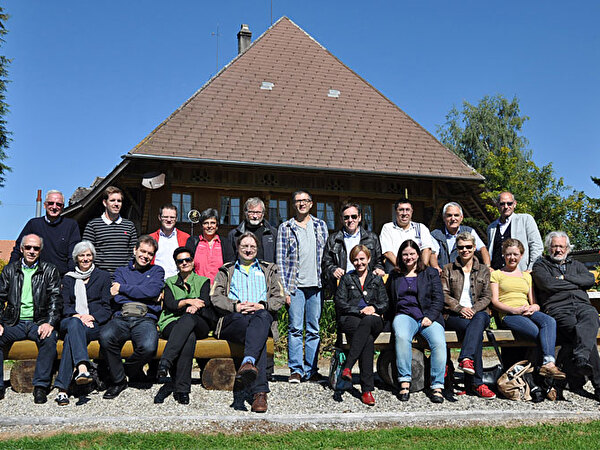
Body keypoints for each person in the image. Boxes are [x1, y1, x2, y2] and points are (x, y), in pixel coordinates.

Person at [211, 232, 285, 412]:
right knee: (256, 335)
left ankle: (249, 364)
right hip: (235, 318)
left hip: (260, 316)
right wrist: (235, 306)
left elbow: (280, 297)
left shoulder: (268, 269)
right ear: (238, 248)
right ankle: (260, 393)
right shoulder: (226, 270)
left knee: (261, 318)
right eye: (244, 246)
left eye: (252, 246)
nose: (248, 250)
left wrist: (262, 305)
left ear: (257, 249)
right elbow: (215, 296)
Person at [532, 231, 600, 398]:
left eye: (561, 246)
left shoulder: (576, 264)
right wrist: (575, 284)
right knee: (581, 332)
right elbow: (548, 284)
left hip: (583, 306)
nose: (558, 250)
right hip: (558, 308)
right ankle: (597, 385)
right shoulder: (540, 265)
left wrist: (563, 277)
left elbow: (590, 280)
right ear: (548, 248)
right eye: (554, 246)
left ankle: (582, 358)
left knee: (591, 317)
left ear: (568, 248)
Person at [99, 235, 164, 399]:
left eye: (150, 253)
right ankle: (119, 381)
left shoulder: (157, 271)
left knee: (149, 346)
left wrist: (123, 288)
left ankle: (127, 370)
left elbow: (153, 291)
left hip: (146, 318)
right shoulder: (121, 271)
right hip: (121, 316)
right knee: (105, 336)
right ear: (135, 250)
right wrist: (144, 292)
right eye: (142, 251)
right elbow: (118, 298)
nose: (145, 256)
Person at [490, 238, 565, 380]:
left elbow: (535, 303)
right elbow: (494, 301)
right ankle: (534, 374)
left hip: (527, 311)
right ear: (503, 255)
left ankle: (548, 363)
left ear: (521, 255)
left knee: (549, 321)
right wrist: (513, 310)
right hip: (509, 314)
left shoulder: (526, 276)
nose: (512, 258)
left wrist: (533, 308)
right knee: (537, 333)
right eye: (508, 254)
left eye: (515, 254)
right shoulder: (497, 274)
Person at [0, 234, 62, 404]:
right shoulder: (9, 270)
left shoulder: (50, 270)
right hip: (14, 322)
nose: (32, 251)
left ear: (40, 250)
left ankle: (41, 387)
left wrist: (49, 322)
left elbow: (56, 299)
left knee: (49, 340)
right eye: (28, 247)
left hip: (39, 322)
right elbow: (0, 297)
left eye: (36, 248)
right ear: (21, 249)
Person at [276, 190, 328, 383]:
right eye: (298, 201)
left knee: (314, 329)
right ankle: (296, 370)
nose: (301, 204)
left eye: (305, 201)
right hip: (295, 286)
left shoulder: (321, 226)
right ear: (293, 204)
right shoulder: (286, 227)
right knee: (295, 329)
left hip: (317, 285)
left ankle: (311, 369)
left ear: (311, 204)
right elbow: (280, 261)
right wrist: (285, 290)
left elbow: (325, 256)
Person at [387, 239, 446, 403]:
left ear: (418, 255)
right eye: (405, 254)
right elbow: (389, 301)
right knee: (401, 336)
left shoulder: (430, 273)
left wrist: (430, 316)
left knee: (439, 342)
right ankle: (404, 381)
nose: (408, 257)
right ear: (400, 256)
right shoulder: (395, 275)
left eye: (412, 254)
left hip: (427, 316)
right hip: (404, 316)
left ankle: (437, 386)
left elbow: (438, 299)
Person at [54, 241, 112, 406]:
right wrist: (78, 316)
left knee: (71, 340)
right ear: (76, 258)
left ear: (93, 257)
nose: (85, 259)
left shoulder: (103, 276)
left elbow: (106, 308)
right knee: (73, 324)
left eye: (88, 255)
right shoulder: (68, 278)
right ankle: (82, 368)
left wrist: (91, 317)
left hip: (92, 324)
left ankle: (62, 391)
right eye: (82, 255)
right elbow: (64, 305)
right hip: (71, 319)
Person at [156, 247, 214, 405]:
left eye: (187, 260)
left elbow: (204, 302)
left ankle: (165, 362)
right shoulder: (170, 282)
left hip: (198, 321)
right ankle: (182, 390)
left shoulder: (203, 281)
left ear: (193, 261)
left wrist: (195, 307)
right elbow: (170, 304)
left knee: (188, 319)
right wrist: (189, 301)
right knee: (189, 337)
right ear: (176, 264)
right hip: (172, 322)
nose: (184, 263)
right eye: (180, 261)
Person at [441, 232, 495, 399]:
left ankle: (465, 358)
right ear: (456, 249)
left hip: (479, 313)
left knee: (477, 322)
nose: (465, 250)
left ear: (474, 248)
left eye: (468, 247)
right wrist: (460, 308)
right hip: (455, 315)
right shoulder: (448, 269)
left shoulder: (484, 270)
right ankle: (476, 384)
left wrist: (473, 309)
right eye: (461, 247)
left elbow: (487, 296)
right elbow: (444, 294)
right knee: (475, 331)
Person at [335, 245, 387, 406]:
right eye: (355, 260)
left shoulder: (376, 279)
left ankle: (348, 366)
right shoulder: (346, 279)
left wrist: (374, 308)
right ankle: (367, 390)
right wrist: (359, 310)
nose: (359, 263)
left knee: (369, 322)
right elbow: (340, 302)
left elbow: (385, 302)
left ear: (369, 259)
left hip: (374, 319)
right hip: (352, 319)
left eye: (362, 259)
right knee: (368, 339)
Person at [10, 190, 81, 276]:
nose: (54, 207)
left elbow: (74, 254)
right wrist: (9, 271)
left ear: (63, 207)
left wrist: (70, 278)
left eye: (58, 204)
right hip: (36, 276)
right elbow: (18, 249)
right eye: (51, 203)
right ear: (44, 205)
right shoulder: (33, 224)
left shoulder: (71, 225)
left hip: (61, 277)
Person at [322, 202, 385, 296]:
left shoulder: (372, 238)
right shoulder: (333, 239)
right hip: (344, 286)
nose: (350, 220)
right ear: (341, 219)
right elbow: (326, 263)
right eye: (346, 217)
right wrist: (333, 270)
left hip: (367, 285)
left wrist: (378, 269)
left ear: (359, 217)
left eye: (354, 216)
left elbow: (379, 261)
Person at [82, 186, 138, 274]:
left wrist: (127, 271)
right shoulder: (93, 225)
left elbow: (134, 252)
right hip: (99, 276)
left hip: (123, 276)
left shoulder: (129, 226)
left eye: (119, 201)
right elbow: (86, 252)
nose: (116, 204)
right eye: (112, 200)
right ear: (105, 203)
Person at [487, 192, 543, 272]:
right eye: (502, 204)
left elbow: (537, 246)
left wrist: (531, 268)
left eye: (509, 203)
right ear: (497, 205)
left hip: (520, 274)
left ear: (515, 204)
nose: (506, 207)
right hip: (497, 275)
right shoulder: (491, 227)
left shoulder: (525, 219)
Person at [430, 202, 490, 271]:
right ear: (444, 218)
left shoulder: (469, 231)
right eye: (449, 215)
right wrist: (436, 268)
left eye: (456, 215)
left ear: (461, 218)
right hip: (443, 275)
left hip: (463, 274)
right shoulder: (435, 235)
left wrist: (487, 267)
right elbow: (433, 254)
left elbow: (482, 249)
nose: (453, 218)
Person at [380, 198, 435, 271]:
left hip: (418, 272)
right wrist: (404, 269)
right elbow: (387, 253)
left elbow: (427, 250)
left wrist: (421, 270)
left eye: (407, 210)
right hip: (396, 271)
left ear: (412, 211)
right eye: (401, 210)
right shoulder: (388, 228)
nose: (404, 213)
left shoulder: (421, 228)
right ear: (396, 211)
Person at [223, 197, 278, 263]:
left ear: (263, 214)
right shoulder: (235, 234)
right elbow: (230, 261)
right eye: (251, 212)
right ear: (245, 213)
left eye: (258, 212)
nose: (255, 216)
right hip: (243, 272)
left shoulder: (273, 233)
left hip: (267, 272)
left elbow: (277, 258)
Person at [149, 204, 191, 279]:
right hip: (156, 281)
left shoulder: (186, 238)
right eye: (165, 217)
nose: (169, 220)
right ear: (159, 218)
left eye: (172, 217)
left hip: (178, 282)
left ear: (176, 218)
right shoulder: (151, 238)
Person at [185, 208, 224, 284]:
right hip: (197, 288)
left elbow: (229, 268)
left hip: (219, 289)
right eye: (206, 223)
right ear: (201, 225)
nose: (209, 226)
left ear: (217, 225)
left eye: (213, 223)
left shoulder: (225, 243)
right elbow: (187, 265)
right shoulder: (192, 242)